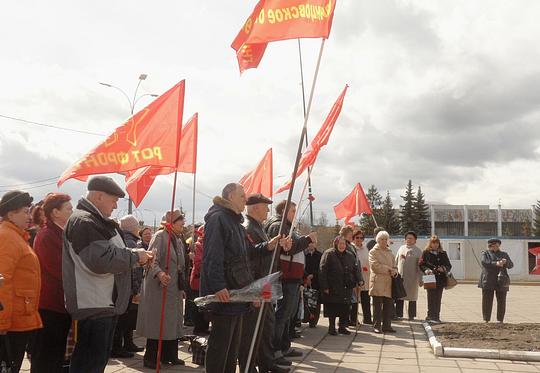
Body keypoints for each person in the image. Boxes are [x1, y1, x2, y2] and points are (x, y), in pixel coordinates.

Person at [62, 176, 154, 373]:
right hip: (94, 304)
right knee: (89, 365)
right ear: (99, 196)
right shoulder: (84, 221)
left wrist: (137, 255)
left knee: (93, 363)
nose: (114, 206)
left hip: (101, 303)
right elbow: (101, 259)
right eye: (113, 200)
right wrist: (137, 256)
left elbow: (108, 252)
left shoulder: (94, 220)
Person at [200, 183, 253, 373]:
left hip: (237, 293)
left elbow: (242, 259)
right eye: (242, 196)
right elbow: (212, 256)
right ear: (230, 196)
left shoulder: (236, 222)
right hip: (224, 294)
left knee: (232, 349)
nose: (245, 200)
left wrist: (250, 293)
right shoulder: (218, 219)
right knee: (220, 348)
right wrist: (218, 286)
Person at [242, 193, 290, 373]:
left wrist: (278, 246)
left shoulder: (259, 227)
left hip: (265, 283)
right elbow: (248, 255)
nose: (268, 209)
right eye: (265, 206)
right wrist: (268, 246)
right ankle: (250, 366)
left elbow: (265, 255)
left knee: (266, 326)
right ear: (255, 207)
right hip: (256, 283)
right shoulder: (248, 227)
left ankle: (266, 363)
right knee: (253, 329)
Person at [265, 200, 316, 361]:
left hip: (293, 277)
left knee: (289, 314)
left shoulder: (289, 227)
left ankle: (284, 346)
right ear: (284, 211)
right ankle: (275, 349)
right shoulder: (278, 226)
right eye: (293, 211)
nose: (295, 213)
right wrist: (307, 240)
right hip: (285, 277)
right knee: (282, 314)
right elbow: (288, 249)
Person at [137, 210, 186, 368]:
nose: (183, 224)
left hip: (173, 287)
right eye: (181, 221)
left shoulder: (177, 239)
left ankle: (169, 355)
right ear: (173, 222)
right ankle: (150, 357)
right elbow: (152, 260)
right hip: (160, 287)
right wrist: (159, 274)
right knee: (158, 322)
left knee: (172, 321)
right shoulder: (160, 236)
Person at [0, 191, 42, 372]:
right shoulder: (7, 237)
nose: (29, 216)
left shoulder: (16, 236)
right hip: (11, 322)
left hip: (18, 316)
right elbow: (2, 281)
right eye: (25, 212)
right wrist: (1, 323)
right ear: (11, 214)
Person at [31, 193, 73, 373]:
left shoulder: (61, 233)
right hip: (50, 305)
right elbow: (58, 269)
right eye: (68, 209)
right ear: (55, 212)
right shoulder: (47, 234)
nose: (72, 211)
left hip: (60, 304)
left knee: (56, 355)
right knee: (46, 356)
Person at [110, 215, 144, 357]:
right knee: (124, 318)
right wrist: (136, 289)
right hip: (127, 286)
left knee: (126, 317)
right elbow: (134, 269)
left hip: (124, 285)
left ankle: (127, 344)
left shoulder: (125, 240)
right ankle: (119, 347)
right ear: (134, 228)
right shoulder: (130, 243)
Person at [319, 236, 362, 336]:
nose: (342, 246)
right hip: (333, 286)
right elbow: (322, 270)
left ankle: (342, 327)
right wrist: (325, 286)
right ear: (336, 244)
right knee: (332, 307)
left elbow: (356, 269)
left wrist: (359, 280)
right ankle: (332, 327)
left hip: (346, 286)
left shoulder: (350, 255)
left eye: (343, 244)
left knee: (345, 308)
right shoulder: (329, 254)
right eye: (340, 244)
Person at [479, 238, 514, 323]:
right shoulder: (485, 253)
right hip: (488, 280)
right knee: (487, 301)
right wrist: (496, 263)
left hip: (501, 280)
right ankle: (486, 319)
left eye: (497, 245)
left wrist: (505, 262)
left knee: (501, 301)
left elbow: (511, 265)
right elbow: (484, 262)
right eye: (493, 245)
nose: (495, 247)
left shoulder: (504, 254)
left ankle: (500, 319)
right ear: (489, 246)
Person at [369, 230, 397, 334]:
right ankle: (376, 326)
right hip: (377, 282)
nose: (384, 241)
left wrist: (395, 271)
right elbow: (374, 266)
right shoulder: (373, 252)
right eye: (381, 239)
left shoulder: (390, 252)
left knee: (388, 306)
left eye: (386, 239)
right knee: (377, 306)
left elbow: (394, 265)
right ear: (377, 240)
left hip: (388, 283)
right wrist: (389, 269)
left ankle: (387, 326)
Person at [419, 235, 451, 323]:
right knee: (431, 297)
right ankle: (430, 316)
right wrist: (426, 270)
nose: (435, 245)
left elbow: (449, 265)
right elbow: (421, 264)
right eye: (433, 243)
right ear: (430, 244)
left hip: (440, 278)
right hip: (430, 277)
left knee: (438, 297)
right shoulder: (426, 252)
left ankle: (437, 316)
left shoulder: (443, 253)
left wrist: (443, 268)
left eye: (437, 243)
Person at [394, 231, 423, 320]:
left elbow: (420, 266)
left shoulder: (418, 251)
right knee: (400, 296)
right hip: (401, 277)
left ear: (415, 240)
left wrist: (421, 279)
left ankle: (411, 315)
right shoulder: (401, 248)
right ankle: (399, 314)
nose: (409, 240)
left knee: (412, 297)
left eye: (411, 238)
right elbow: (395, 261)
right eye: (407, 238)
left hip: (412, 277)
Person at [189, 225, 210, 335]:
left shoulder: (209, 245)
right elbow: (198, 263)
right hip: (198, 280)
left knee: (205, 304)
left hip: (205, 280)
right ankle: (198, 328)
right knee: (198, 305)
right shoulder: (198, 245)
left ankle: (204, 327)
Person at [352, 229, 372, 325]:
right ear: (353, 238)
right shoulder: (352, 248)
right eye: (357, 237)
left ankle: (367, 319)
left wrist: (367, 268)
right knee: (355, 300)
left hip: (366, 277)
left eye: (361, 238)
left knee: (366, 299)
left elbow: (368, 261)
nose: (359, 239)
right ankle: (354, 319)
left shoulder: (365, 248)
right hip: (355, 278)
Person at [303, 242, 322, 328]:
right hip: (304, 280)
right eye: (309, 243)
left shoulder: (319, 255)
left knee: (315, 303)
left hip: (316, 281)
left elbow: (320, 268)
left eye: (313, 243)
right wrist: (306, 276)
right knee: (304, 301)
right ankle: (303, 318)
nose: (311, 245)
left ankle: (313, 321)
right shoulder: (304, 254)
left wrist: (312, 275)